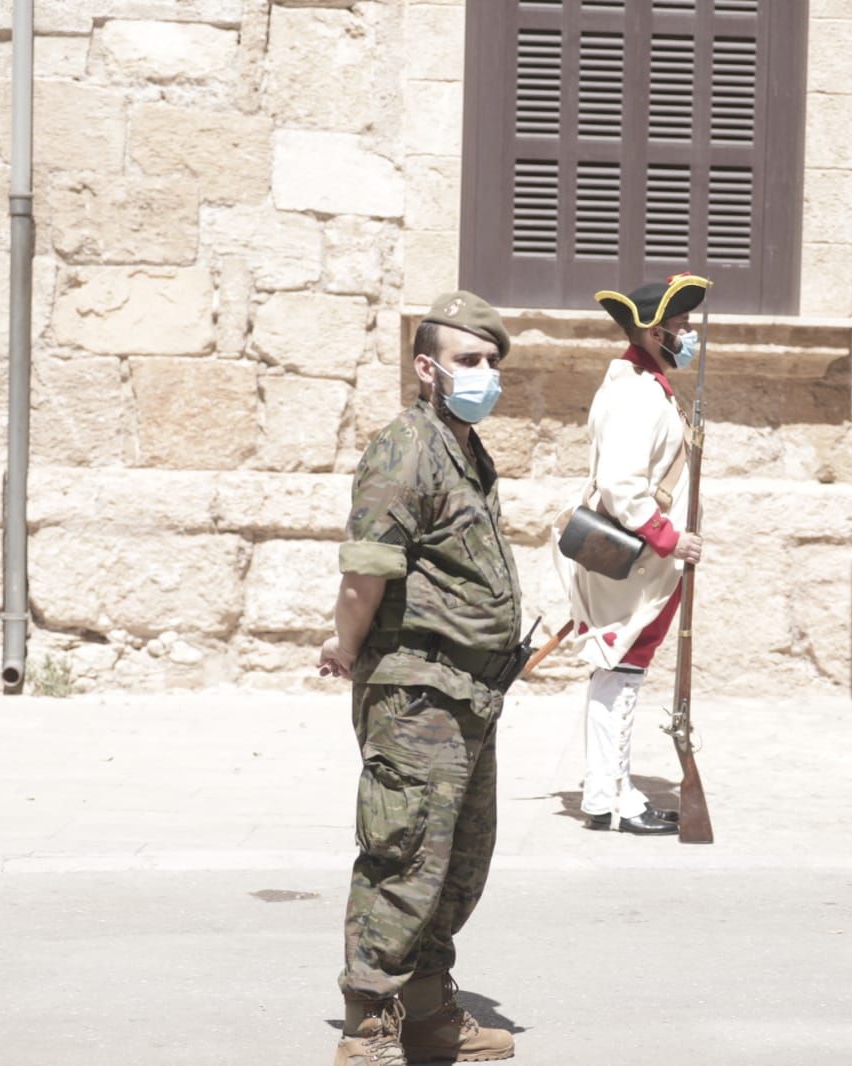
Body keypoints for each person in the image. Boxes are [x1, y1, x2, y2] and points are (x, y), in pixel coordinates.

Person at [318, 291, 520, 1064]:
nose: (485, 374)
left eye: (493, 361)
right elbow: (365, 570)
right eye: (470, 360)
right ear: (426, 367)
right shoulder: (405, 446)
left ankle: (432, 1014)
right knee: (402, 856)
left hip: (470, 690)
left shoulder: (459, 444)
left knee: (457, 862)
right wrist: (345, 648)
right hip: (417, 689)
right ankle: (368, 1023)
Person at [553, 274, 710, 836]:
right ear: (652, 331)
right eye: (681, 326)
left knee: (617, 671)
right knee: (621, 670)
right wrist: (670, 538)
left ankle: (605, 793)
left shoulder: (644, 384)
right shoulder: (638, 392)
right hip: (637, 557)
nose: (688, 335)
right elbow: (622, 485)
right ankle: (614, 800)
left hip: (637, 557)